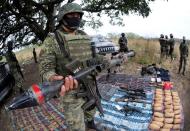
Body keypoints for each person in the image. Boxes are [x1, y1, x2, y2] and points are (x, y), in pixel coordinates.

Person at [39, 3, 111, 131]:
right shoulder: (52, 39)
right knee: (76, 125)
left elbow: (94, 56)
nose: (75, 17)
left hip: (90, 83)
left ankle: (90, 122)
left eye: (78, 15)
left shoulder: (83, 34)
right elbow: (46, 68)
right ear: (62, 17)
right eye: (71, 15)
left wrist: (105, 59)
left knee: (91, 109)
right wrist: (53, 77)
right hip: (71, 91)